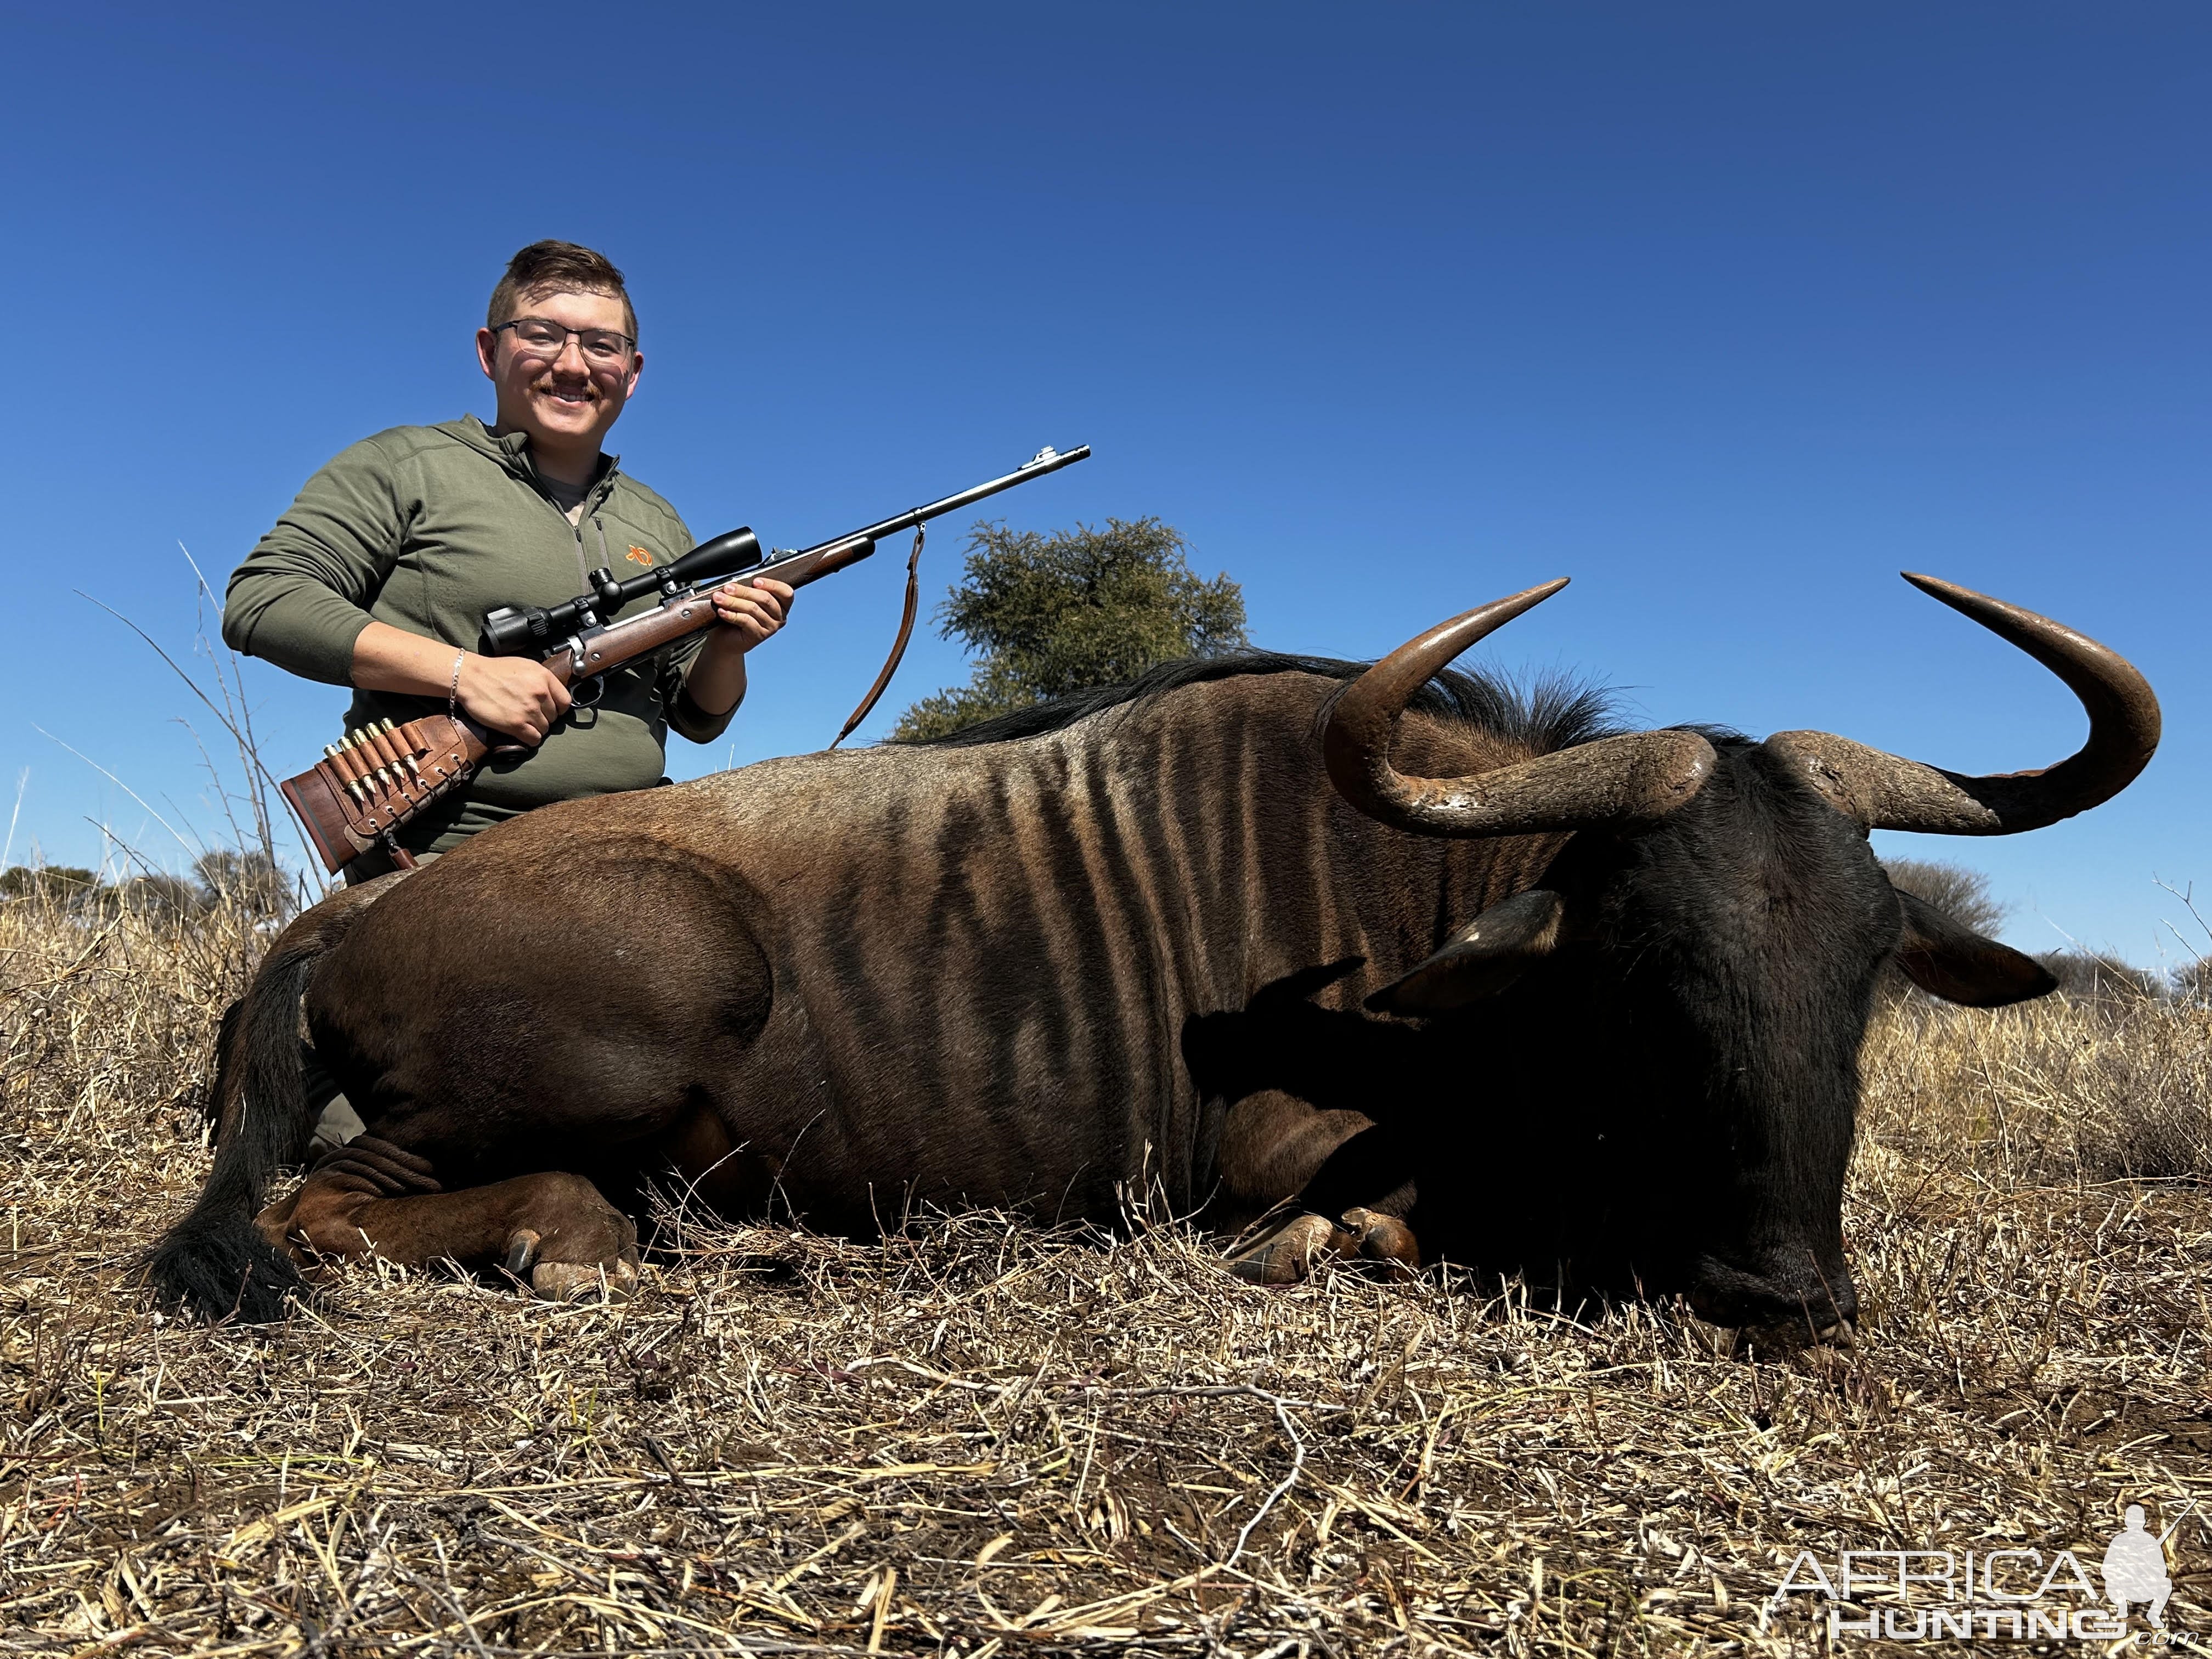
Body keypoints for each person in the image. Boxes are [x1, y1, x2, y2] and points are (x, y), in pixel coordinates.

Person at [225, 239, 793, 876]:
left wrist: (729, 645)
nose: (574, 364)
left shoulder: (658, 521)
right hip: (449, 856)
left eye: (601, 346)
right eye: (543, 335)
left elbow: (698, 718)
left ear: (632, 373)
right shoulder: (404, 465)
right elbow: (264, 599)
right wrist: (466, 674)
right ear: (489, 352)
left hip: (636, 850)